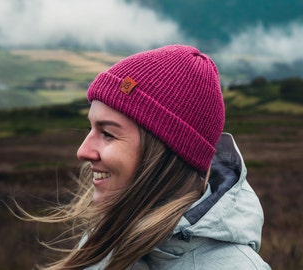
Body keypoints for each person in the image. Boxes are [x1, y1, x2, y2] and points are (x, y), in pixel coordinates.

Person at [28, 45, 271, 269]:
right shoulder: (105, 240)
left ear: (164, 153)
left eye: (108, 133)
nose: (82, 151)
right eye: (90, 128)